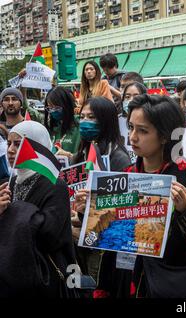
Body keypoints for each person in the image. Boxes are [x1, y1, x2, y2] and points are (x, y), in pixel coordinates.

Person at [111, 94, 186, 298]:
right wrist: (91, 212)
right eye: (131, 127)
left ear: (165, 136)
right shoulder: (127, 174)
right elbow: (113, 232)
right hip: (130, 278)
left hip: (176, 283)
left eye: (143, 131)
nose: (132, 137)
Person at [0, 121, 77, 297]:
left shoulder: (55, 186)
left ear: (39, 148)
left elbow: (49, 236)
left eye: (18, 144)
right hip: (13, 276)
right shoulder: (10, 183)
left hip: (44, 277)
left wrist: (12, 212)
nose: (10, 150)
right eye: (9, 143)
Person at [71, 97, 131, 288]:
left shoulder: (119, 159)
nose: (85, 122)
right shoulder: (81, 154)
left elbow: (122, 208)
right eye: (82, 116)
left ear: (105, 121)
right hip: (82, 242)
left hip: (105, 247)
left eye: (92, 117)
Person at [44, 87, 81, 158]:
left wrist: (70, 156)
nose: (53, 111)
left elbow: (88, 159)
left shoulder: (80, 126)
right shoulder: (50, 127)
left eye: (56, 107)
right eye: (50, 108)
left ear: (67, 106)